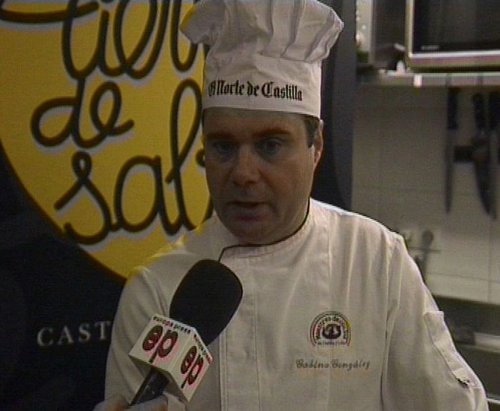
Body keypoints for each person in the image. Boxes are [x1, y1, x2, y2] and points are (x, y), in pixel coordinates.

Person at [95, 0, 489, 410]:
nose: (243, 173)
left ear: (315, 146)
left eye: (270, 145)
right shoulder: (157, 291)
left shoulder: (376, 263)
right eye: (223, 146)